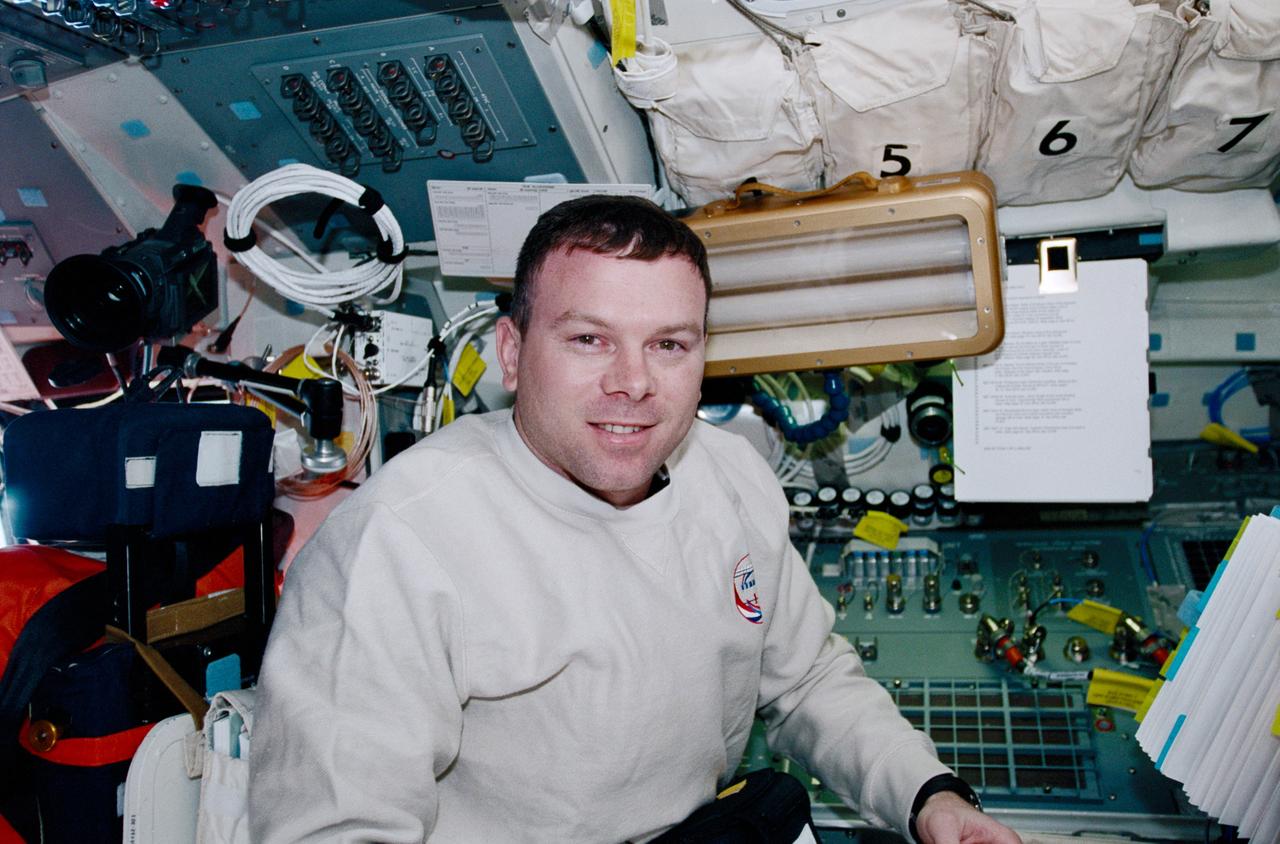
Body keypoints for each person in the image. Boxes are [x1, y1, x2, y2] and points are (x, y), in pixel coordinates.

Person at [249, 195, 1023, 844]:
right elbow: (339, 829)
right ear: (513, 353)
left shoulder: (731, 474)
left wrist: (930, 799)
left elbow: (807, 679)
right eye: (589, 340)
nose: (634, 383)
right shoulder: (401, 542)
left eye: (668, 345)